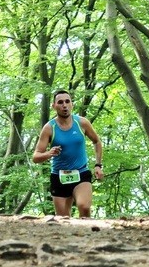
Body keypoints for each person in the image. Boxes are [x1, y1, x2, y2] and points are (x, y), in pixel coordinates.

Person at [32, 89, 104, 218]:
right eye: (60, 102)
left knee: (84, 207)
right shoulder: (49, 128)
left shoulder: (82, 123)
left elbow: (97, 141)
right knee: (63, 219)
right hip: (59, 177)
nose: (64, 105)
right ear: (54, 106)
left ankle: (89, 236)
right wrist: (49, 153)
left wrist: (98, 165)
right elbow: (36, 157)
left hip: (81, 173)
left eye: (67, 101)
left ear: (72, 104)